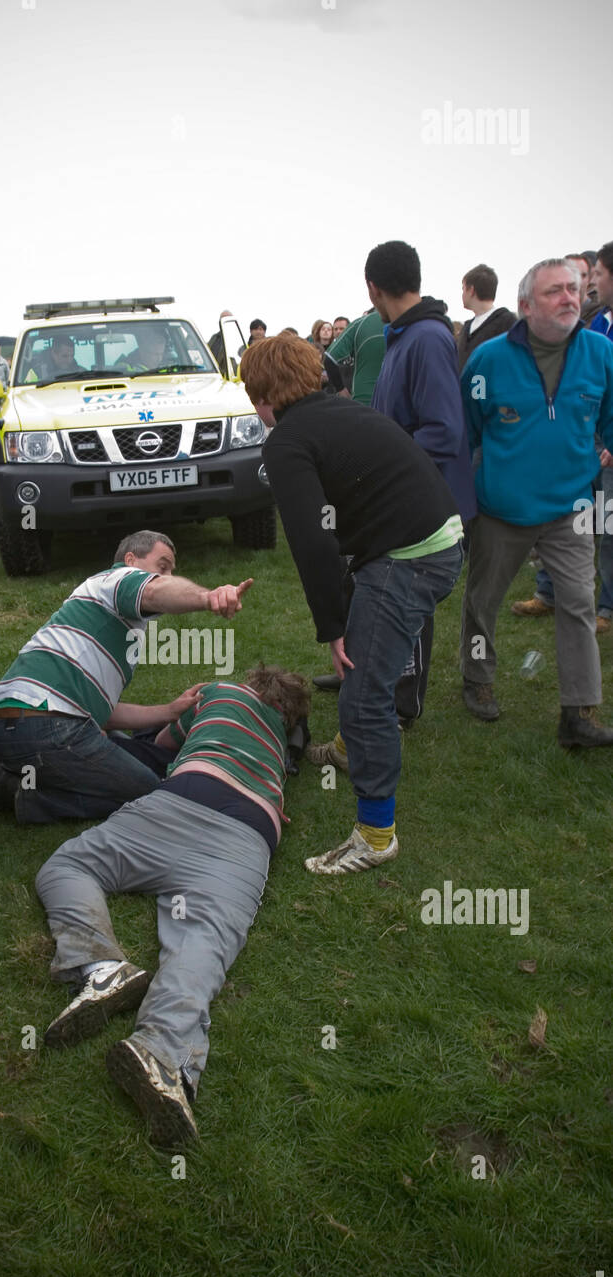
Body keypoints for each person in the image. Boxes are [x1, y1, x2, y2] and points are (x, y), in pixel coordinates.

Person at [34, 664, 309, 1148]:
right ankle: (161, 1052)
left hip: (183, 797)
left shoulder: (221, 693)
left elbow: (161, 745)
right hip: (251, 830)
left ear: (253, 683)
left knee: (69, 866)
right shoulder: (280, 748)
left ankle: (100, 966)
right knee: (205, 940)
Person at [240, 333, 463, 874]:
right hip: (434, 539)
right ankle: (345, 749)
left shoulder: (287, 441)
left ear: (261, 394)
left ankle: (376, 834)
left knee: (364, 696)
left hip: (409, 557)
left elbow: (315, 541)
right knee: (367, 666)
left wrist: (332, 627)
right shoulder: (340, 411)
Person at [0, 530, 254, 831]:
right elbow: (155, 592)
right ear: (130, 561)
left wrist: (169, 711)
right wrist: (208, 597)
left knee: (125, 757)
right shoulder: (118, 580)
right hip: (47, 726)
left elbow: (102, 712)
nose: (167, 576)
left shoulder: (105, 614)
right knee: (149, 793)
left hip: (20, 718)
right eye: (162, 567)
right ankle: (19, 793)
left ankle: (13, 762)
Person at [459, 258, 613, 745]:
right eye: (554, 292)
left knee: (578, 604)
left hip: (571, 508)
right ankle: (478, 679)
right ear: (526, 306)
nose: (569, 297)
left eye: (574, 287)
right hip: (502, 511)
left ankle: (579, 713)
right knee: (483, 603)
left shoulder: (601, 353)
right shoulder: (488, 360)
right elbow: (468, 431)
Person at [367, 240, 475, 728]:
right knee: (384, 590)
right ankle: (374, 674)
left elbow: (444, 430)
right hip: (406, 498)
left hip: (426, 505)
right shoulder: (404, 334)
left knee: (409, 599)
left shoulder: (427, 337)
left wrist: (390, 468)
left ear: (373, 288)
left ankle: (404, 700)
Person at [512, 244, 613, 633]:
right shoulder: (595, 320)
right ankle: (549, 590)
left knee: (598, 522)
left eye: (590, 276)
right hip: (580, 438)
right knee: (565, 512)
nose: (583, 287)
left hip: (602, 438)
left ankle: (602, 606)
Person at [456, 263, 517, 371]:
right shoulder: (466, 328)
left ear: (471, 290)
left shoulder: (507, 323)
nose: (462, 294)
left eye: (463, 288)